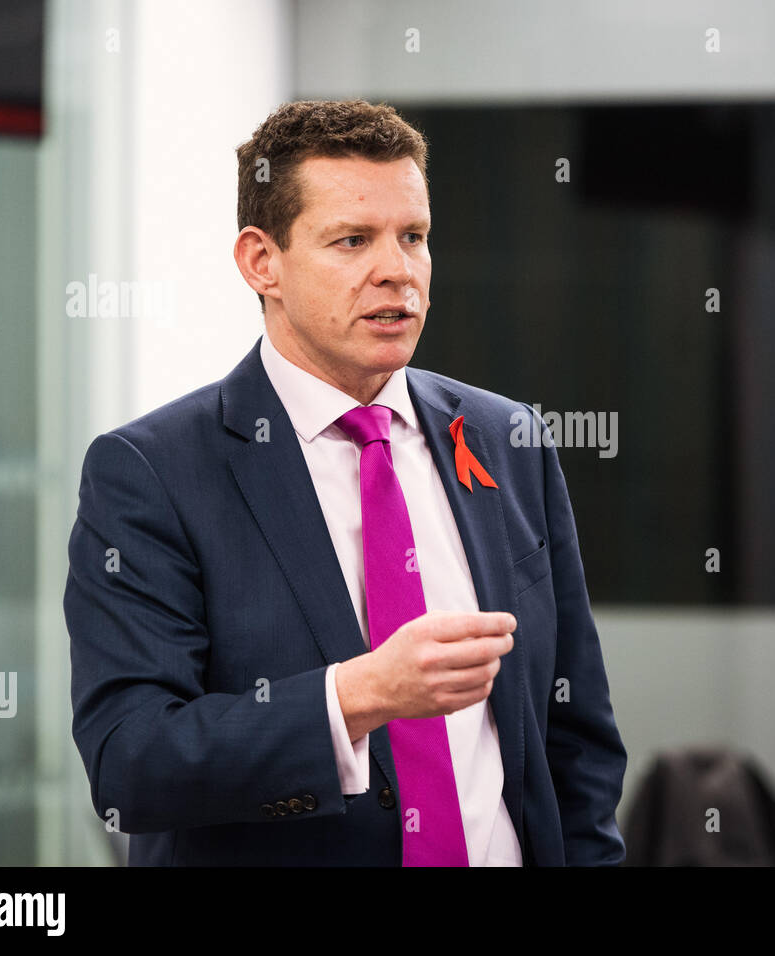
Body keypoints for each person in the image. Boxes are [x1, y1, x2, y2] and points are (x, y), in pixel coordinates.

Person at [64, 99, 627, 866]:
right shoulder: (153, 473)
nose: (397, 269)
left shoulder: (507, 438)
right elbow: (132, 763)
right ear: (263, 262)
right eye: (352, 240)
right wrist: (358, 697)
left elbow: (577, 740)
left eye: (414, 237)